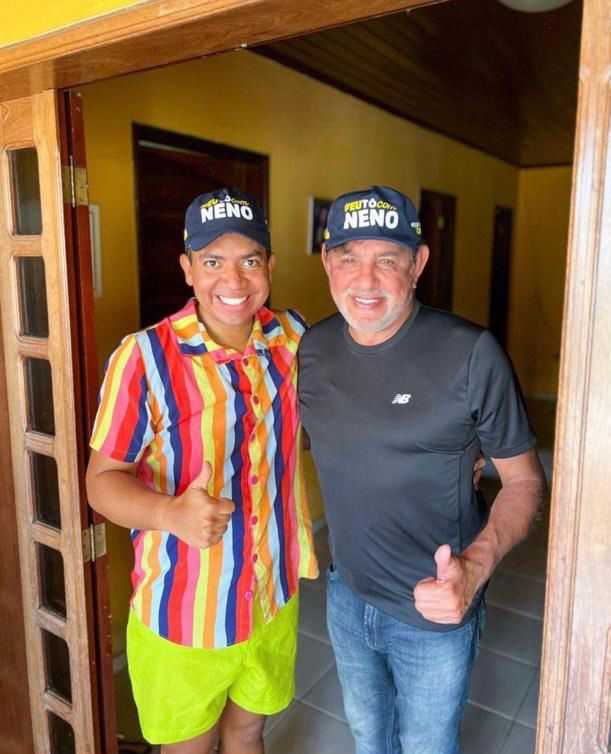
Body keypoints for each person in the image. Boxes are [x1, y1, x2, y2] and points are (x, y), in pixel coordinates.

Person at [297, 185, 547, 754]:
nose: (365, 280)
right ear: (327, 261)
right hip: (346, 592)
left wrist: (475, 569)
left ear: (419, 264)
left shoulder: (470, 353)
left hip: (434, 609)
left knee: (427, 747)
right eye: (348, 257)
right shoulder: (311, 350)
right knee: (368, 739)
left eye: (387, 260)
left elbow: (525, 480)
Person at [86, 188, 317, 754]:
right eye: (213, 261)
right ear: (187, 269)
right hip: (186, 609)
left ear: (270, 266)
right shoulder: (143, 358)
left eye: (249, 260)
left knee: (248, 732)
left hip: (272, 594)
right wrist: (170, 513)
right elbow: (100, 483)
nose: (233, 280)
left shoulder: (295, 339)